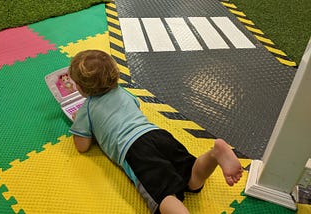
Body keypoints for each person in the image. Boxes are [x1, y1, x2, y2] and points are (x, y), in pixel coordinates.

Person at [68, 50, 243, 214]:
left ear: (82, 88)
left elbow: (82, 146)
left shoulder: (87, 108)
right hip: (158, 135)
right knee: (192, 177)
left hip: (135, 149)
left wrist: (79, 120)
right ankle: (215, 153)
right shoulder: (122, 92)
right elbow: (136, 106)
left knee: (163, 195)